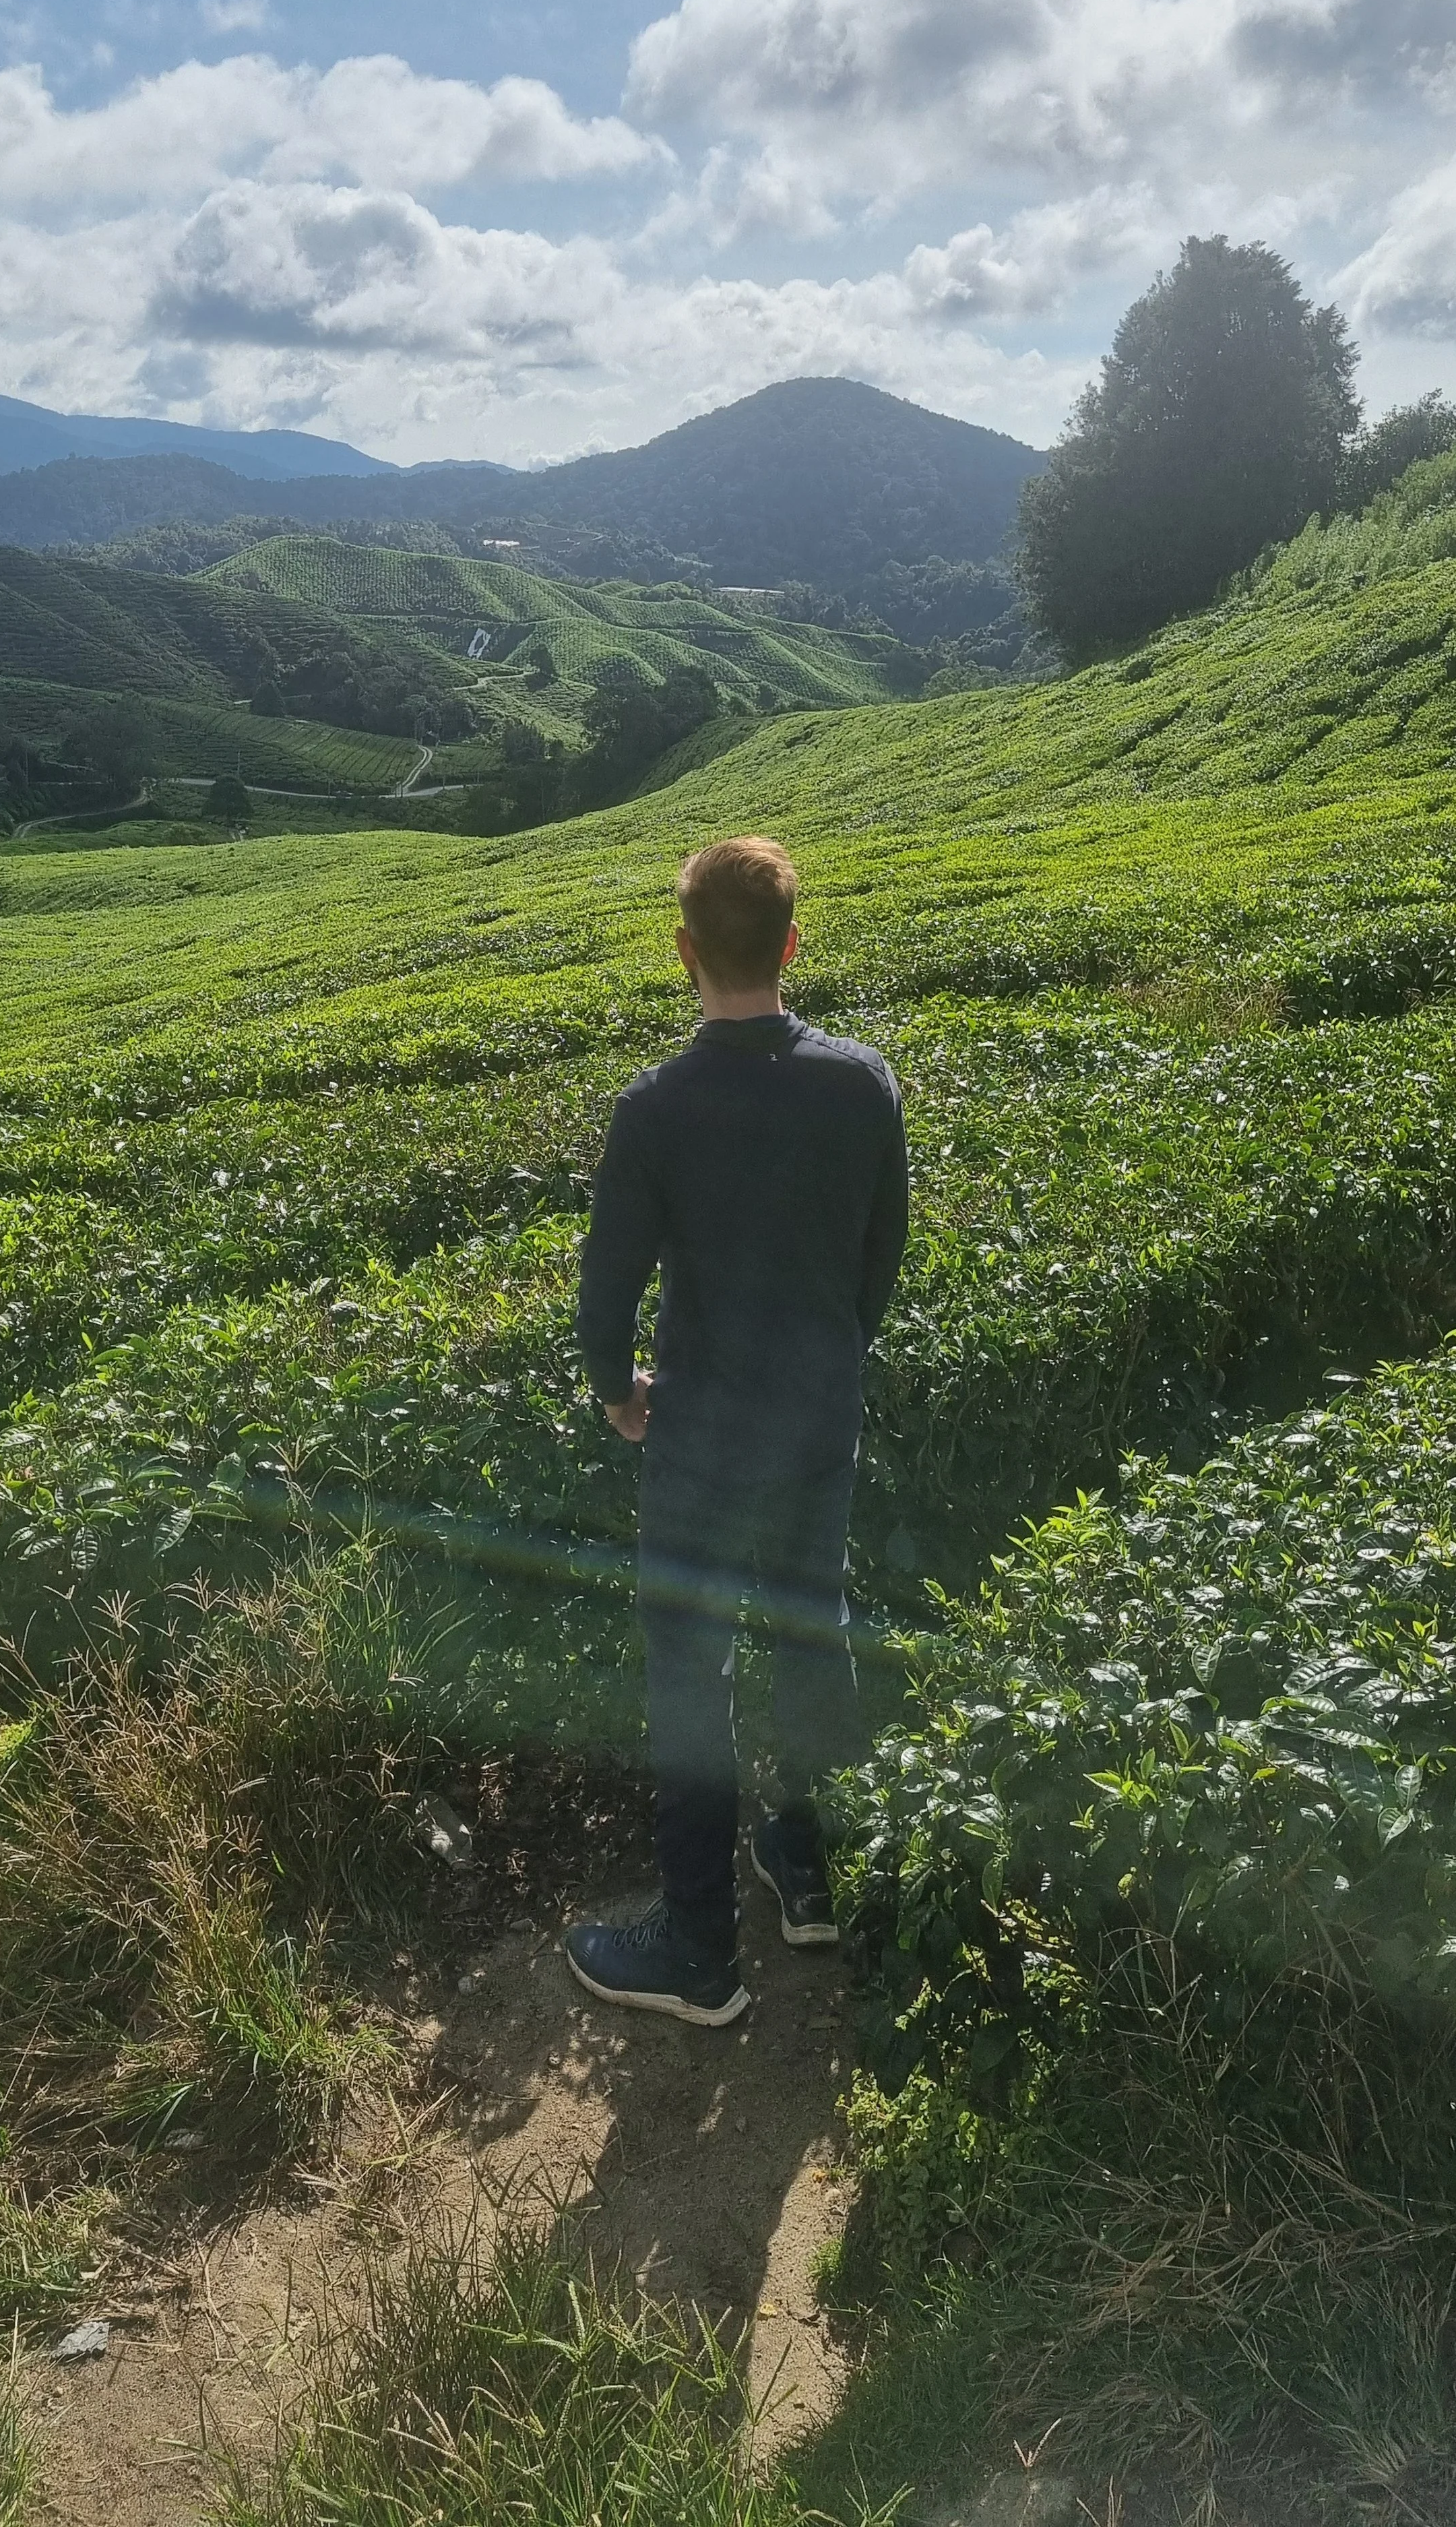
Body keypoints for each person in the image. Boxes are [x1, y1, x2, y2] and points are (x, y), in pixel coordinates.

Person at [565, 836, 910, 2027]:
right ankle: (808, 1875)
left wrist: (622, 1394)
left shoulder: (656, 1109)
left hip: (702, 1430)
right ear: (792, 945)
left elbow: (605, 1299)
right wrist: (826, 1361)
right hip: (818, 1418)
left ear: (684, 953)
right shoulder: (861, 1084)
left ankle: (700, 1951)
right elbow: (880, 1266)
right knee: (814, 1637)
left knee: (689, 1670)